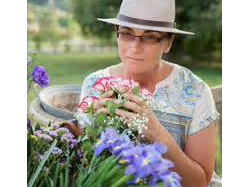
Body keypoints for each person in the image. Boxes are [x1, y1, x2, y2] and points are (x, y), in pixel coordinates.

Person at [66, 0, 222, 186]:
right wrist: (94, 127)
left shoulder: (195, 91)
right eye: (126, 33)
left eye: (150, 37)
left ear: (168, 43)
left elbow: (200, 182)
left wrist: (157, 133)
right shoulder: (95, 84)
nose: (135, 47)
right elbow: (87, 164)